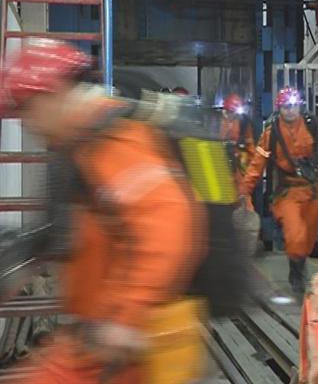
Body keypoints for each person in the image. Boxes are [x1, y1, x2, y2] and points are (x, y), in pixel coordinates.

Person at [0, 38, 208, 384]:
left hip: (128, 344)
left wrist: (124, 319)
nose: (26, 123)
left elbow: (168, 223)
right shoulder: (77, 147)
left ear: (53, 93)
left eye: (28, 108)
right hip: (95, 338)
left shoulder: (112, 140)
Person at [240, 87, 318, 294]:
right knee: (295, 235)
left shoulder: (311, 125)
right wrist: (245, 191)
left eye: (294, 106)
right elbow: (257, 165)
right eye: (286, 106)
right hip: (288, 193)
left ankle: (299, 263)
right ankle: (296, 274)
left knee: (308, 239)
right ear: (279, 108)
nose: (291, 110)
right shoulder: (271, 133)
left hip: (312, 191)